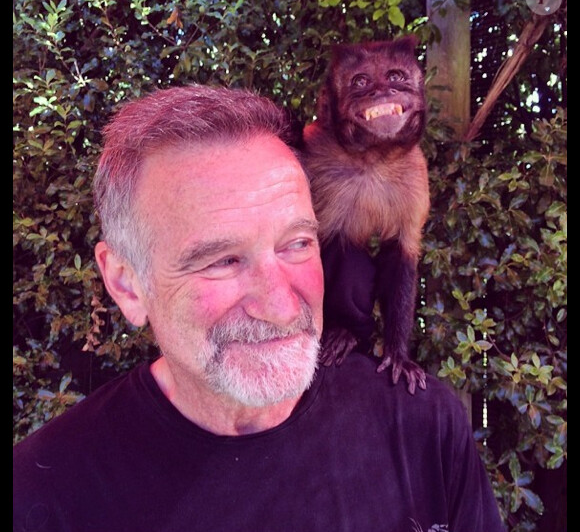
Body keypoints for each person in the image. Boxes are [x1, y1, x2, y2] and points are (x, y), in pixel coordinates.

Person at [13, 84, 506, 532]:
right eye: (223, 260)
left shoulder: (424, 427)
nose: (279, 304)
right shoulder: (45, 494)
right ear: (126, 284)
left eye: (296, 244)